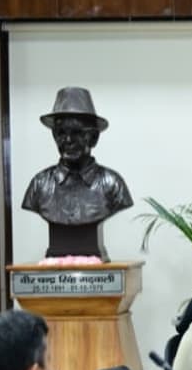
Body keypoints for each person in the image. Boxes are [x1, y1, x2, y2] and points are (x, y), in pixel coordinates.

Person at [20, 87, 132, 258]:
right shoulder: (39, 185)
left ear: (94, 138)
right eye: (61, 133)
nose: (68, 140)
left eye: (77, 133)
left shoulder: (113, 185)